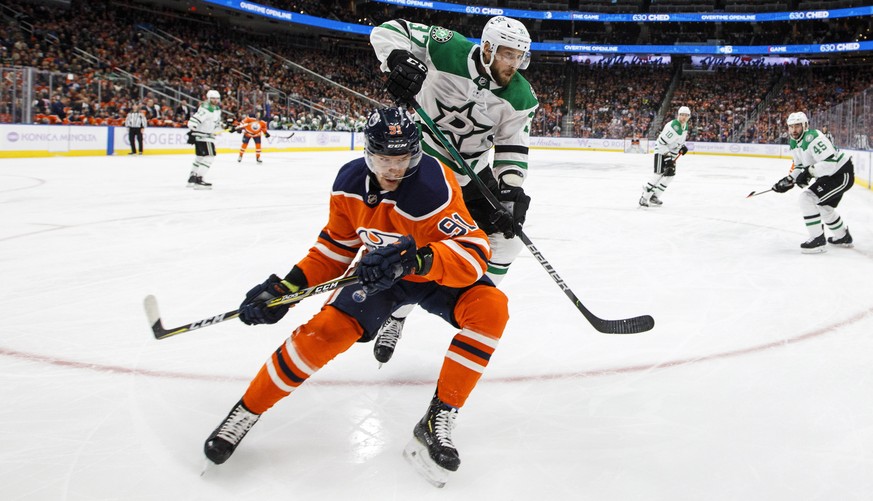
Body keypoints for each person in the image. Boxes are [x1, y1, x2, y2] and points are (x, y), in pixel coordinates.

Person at [202, 108, 507, 487]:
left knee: (491, 309)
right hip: (380, 276)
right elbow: (333, 248)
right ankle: (246, 412)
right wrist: (287, 289)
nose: (394, 169)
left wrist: (420, 258)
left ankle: (439, 415)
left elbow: (475, 252)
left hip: (433, 271)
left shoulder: (434, 185)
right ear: (368, 153)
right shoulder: (348, 183)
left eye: (403, 158)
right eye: (385, 159)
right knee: (323, 334)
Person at [369, 15, 537, 365]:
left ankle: (475, 302)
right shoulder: (445, 46)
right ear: (488, 48)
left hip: (472, 174)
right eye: (508, 55)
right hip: (423, 168)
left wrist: (509, 191)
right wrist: (398, 57)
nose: (514, 64)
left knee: (507, 238)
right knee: (415, 246)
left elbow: (512, 146)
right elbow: (387, 30)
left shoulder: (521, 96)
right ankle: (396, 316)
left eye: (519, 56)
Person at [771, 112, 854, 253]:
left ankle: (818, 240)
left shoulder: (813, 138)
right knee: (824, 207)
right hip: (828, 176)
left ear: (805, 125)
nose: (793, 130)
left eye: (797, 126)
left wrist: (809, 172)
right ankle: (843, 236)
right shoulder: (794, 141)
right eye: (791, 127)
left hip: (840, 174)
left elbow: (830, 163)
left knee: (806, 198)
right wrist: (788, 180)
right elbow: (799, 166)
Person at [639, 106, 690, 207]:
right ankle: (644, 198)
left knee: (669, 176)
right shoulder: (674, 126)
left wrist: (682, 146)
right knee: (658, 174)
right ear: (678, 115)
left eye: (686, 115)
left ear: (689, 116)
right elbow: (662, 143)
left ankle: (654, 196)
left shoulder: (685, 126)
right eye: (682, 115)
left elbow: (677, 140)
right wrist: (667, 158)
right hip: (661, 152)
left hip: (671, 154)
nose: (683, 117)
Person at [186, 90, 226, 190]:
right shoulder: (206, 109)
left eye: (217, 98)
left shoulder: (216, 109)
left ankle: (193, 177)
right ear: (209, 98)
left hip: (205, 136)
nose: (215, 100)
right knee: (209, 157)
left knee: (199, 157)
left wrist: (224, 126)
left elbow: (215, 125)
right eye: (213, 98)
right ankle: (199, 180)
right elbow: (193, 121)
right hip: (204, 137)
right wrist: (192, 130)